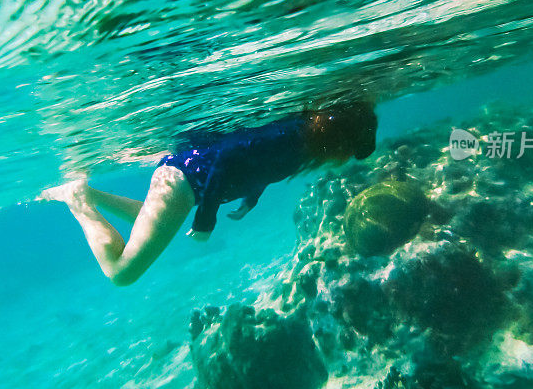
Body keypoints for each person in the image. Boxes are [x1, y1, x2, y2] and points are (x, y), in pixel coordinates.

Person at [38, 103, 377, 286]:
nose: (343, 158)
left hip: (186, 185)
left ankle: (92, 195)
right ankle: (78, 201)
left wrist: (250, 200)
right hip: (186, 180)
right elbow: (228, 155)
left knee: (150, 217)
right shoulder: (295, 135)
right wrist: (206, 220)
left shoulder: (302, 143)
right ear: (340, 137)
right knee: (121, 273)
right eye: (349, 149)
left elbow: (260, 167)